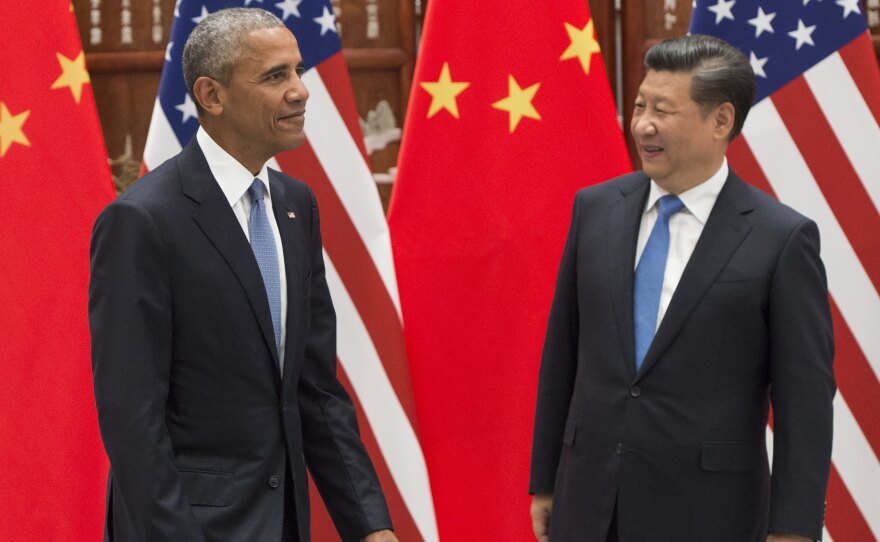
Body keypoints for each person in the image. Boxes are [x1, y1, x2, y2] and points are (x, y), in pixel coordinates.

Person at [89, 8, 397, 542]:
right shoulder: (142, 221)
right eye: (276, 76)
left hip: (282, 524)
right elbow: (132, 419)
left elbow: (315, 390)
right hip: (187, 525)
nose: (301, 91)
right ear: (212, 95)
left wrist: (370, 526)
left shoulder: (295, 205)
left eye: (297, 71)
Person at [529, 35, 834, 542]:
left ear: (721, 121)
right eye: (640, 105)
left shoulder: (780, 238)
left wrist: (794, 528)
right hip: (588, 502)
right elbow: (562, 354)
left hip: (710, 513)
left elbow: (805, 399)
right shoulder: (595, 210)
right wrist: (545, 480)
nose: (643, 124)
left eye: (664, 111)